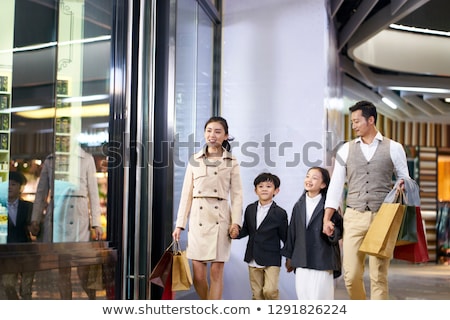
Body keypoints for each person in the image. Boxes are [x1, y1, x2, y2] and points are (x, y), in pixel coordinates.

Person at [322, 100, 410, 300]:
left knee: (378, 276)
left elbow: (405, 178)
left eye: (356, 121)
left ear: (370, 120)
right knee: (351, 275)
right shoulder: (345, 149)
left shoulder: (394, 148)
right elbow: (336, 185)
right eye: (352, 121)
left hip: (383, 217)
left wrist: (403, 184)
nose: (353, 125)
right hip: (354, 215)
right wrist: (327, 217)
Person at [172, 116, 243, 300]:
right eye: (209, 130)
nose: (212, 135)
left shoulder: (232, 161)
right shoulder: (194, 159)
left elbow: (237, 196)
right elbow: (186, 194)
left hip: (221, 220)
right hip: (198, 220)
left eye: (218, 131)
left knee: (216, 274)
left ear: (226, 136)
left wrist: (236, 222)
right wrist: (180, 224)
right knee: (199, 276)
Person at [29, 146, 103, 299]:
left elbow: (93, 193)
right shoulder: (51, 160)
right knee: (63, 269)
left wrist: (96, 222)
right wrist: (35, 219)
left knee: (84, 269)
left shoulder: (86, 158)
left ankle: (93, 301)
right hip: (58, 216)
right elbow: (41, 192)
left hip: (79, 217)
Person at [281, 167, 342, 300]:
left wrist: (332, 232)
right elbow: (292, 232)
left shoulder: (330, 206)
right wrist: (289, 258)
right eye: (307, 176)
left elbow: (339, 230)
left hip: (322, 259)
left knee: (320, 299)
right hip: (302, 259)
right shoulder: (299, 205)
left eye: (314, 178)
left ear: (323, 184)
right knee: (304, 297)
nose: (309, 180)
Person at [234, 172, 288, 300]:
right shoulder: (250, 209)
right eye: (261, 186)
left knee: (270, 291)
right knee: (257, 294)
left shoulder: (280, 213)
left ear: (276, 191)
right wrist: (235, 233)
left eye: (268, 186)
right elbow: (246, 230)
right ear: (255, 190)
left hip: (272, 258)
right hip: (253, 256)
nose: (264, 189)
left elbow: (285, 236)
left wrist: (290, 257)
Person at [2, 171, 34, 299]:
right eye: (6, 184)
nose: (9, 187)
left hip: (27, 251)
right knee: (8, 285)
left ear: (20, 187)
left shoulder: (28, 207)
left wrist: (35, 227)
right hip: (7, 253)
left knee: (26, 290)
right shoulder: (1, 206)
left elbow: (37, 229)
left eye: (13, 184)